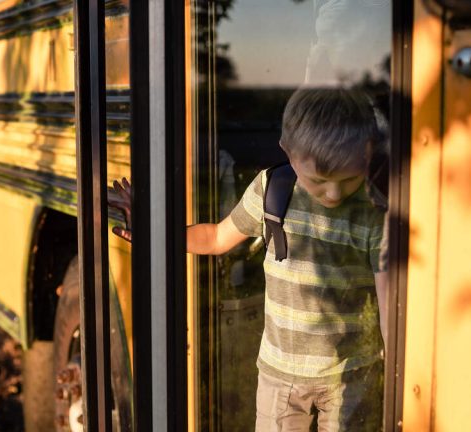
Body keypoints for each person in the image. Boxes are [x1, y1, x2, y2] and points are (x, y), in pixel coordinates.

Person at [112, 87, 388, 431]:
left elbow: (388, 303)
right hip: (279, 373)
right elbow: (215, 238)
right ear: (287, 152)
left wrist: (394, 369)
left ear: (368, 154)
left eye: (348, 179)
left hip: (350, 373)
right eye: (319, 180)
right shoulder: (273, 190)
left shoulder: (373, 213)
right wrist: (156, 233)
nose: (333, 194)